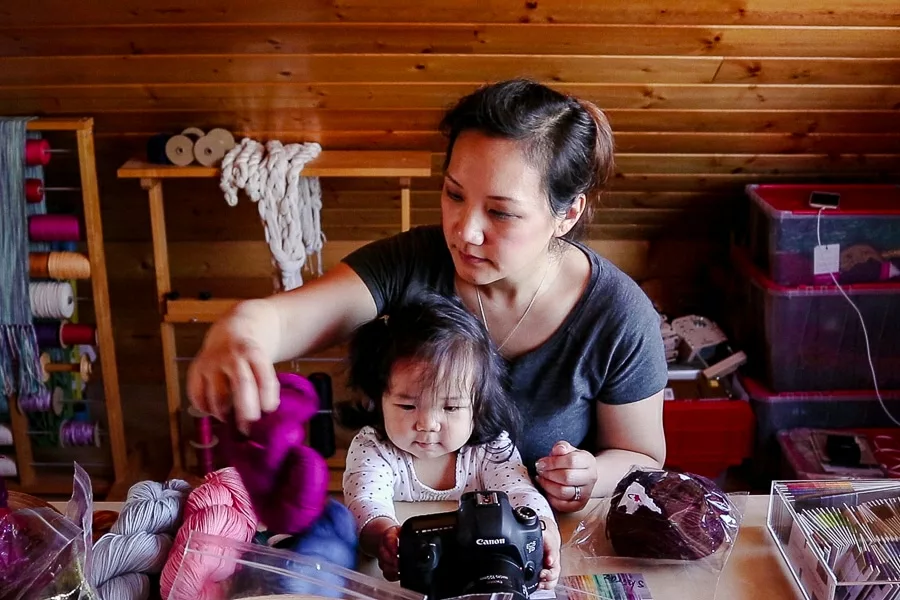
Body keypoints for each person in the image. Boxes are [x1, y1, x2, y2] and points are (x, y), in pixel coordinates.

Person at [186, 78, 668, 513]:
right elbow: (292, 319)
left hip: (547, 547)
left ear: (566, 214)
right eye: (454, 195)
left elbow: (642, 455)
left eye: (501, 213)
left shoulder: (618, 315)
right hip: (402, 535)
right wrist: (243, 327)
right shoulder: (412, 261)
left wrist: (589, 475)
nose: (465, 232)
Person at [338, 293, 560, 588]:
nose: (427, 424)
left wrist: (544, 532)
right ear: (379, 399)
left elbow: (521, 494)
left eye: (451, 407)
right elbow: (365, 502)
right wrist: (384, 536)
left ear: (478, 405)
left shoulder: (490, 447)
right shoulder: (373, 448)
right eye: (407, 406)